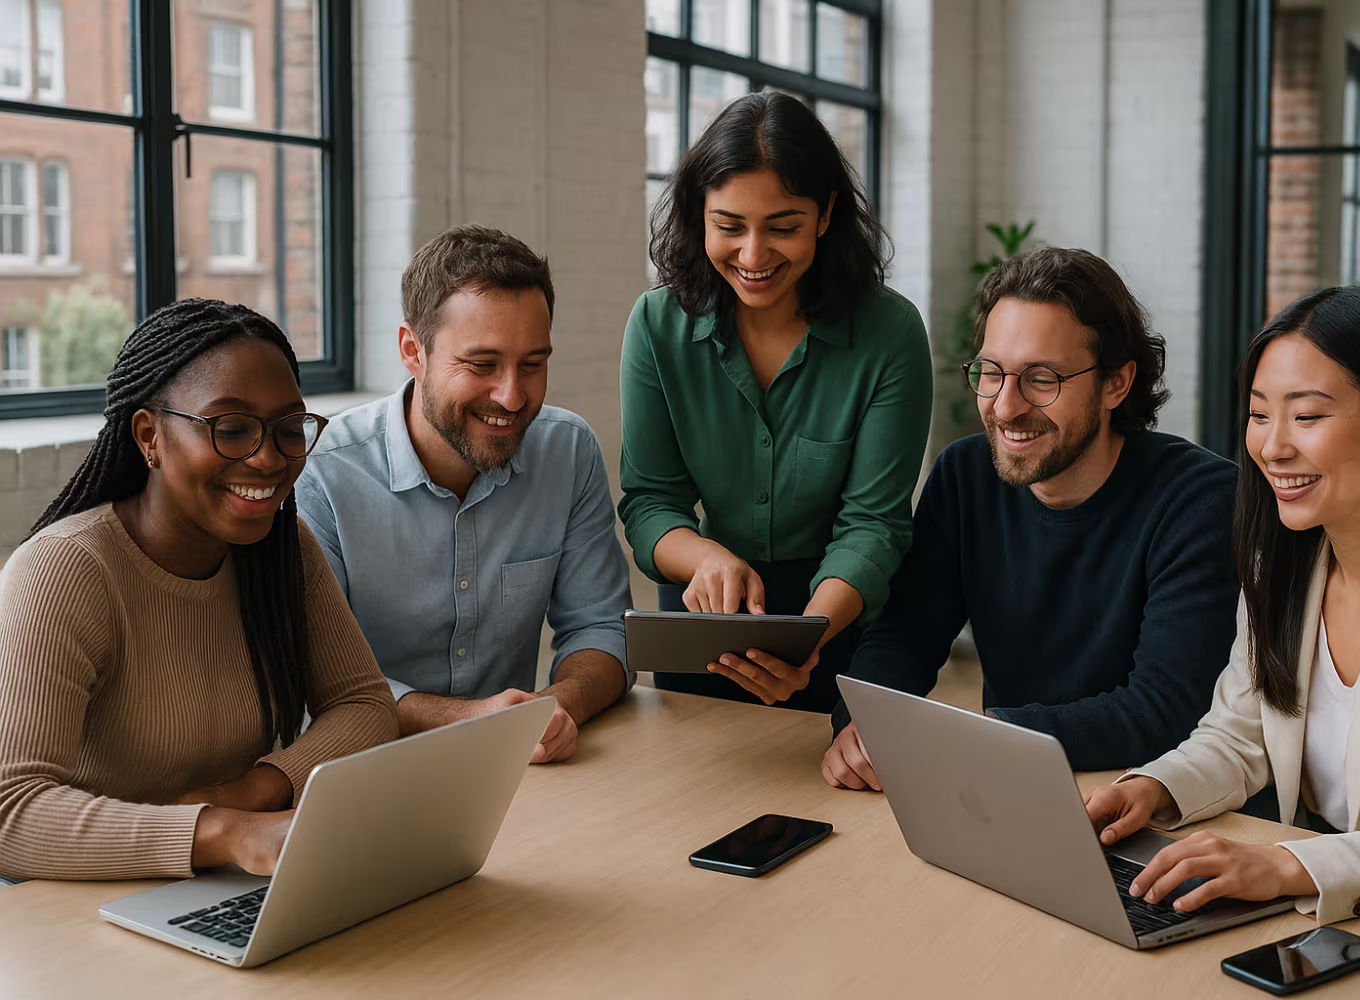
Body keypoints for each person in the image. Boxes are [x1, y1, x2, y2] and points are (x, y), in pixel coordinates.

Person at [1084, 285, 1360, 1000]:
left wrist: (1284, 866)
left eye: (1307, 416)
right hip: (1331, 936)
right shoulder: (1285, 565)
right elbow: (1239, 735)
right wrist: (1152, 789)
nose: (1272, 447)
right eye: (1258, 414)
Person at [0, 299, 398, 881]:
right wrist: (221, 831)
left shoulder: (283, 549)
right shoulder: (65, 571)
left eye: (289, 428)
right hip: (76, 901)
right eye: (231, 429)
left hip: (217, 885)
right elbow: (10, 811)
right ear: (149, 436)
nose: (268, 459)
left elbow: (365, 706)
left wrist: (258, 789)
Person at [823, 246, 1240, 789]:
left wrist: (975, 738)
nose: (1004, 406)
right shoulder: (964, 475)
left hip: (1153, 799)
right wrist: (863, 722)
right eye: (990, 372)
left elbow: (1165, 709)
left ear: (1116, 383)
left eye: (1042, 379)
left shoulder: (1199, 499)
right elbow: (906, 635)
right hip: (1009, 787)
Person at [619, 91, 932, 713]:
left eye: (784, 227)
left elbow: (873, 523)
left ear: (826, 214)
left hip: (837, 618)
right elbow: (651, 502)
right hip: (704, 613)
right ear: (699, 213)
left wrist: (807, 641)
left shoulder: (889, 334)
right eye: (729, 226)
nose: (754, 256)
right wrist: (705, 558)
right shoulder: (657, 325)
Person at [297, 225, 632, 763]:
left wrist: (552, 710)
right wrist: (473, 721)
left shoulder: (568, 451)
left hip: (518, 770)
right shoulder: (322, 474)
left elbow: (603, 629)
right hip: (365, 769)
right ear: (413, 351)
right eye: (482, 365)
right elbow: (312, 679)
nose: (512, 396)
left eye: (533, 364)